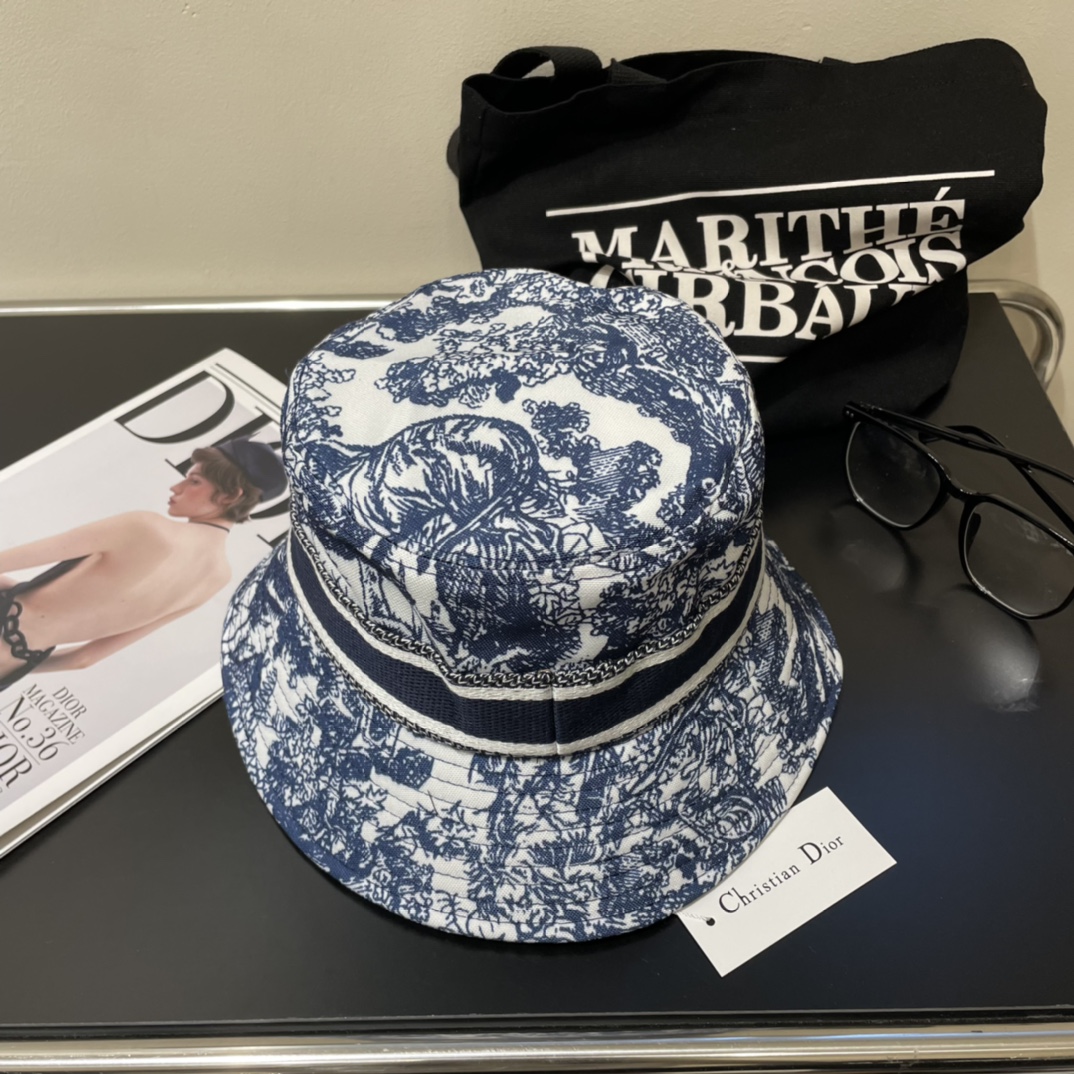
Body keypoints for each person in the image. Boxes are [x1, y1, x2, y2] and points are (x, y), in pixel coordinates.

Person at [0, 438, 286, 692]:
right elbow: (83, 659)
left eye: (194, 481)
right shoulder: (217, 577)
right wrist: (16, 661)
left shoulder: (145, 526)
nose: (176, 487)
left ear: (230, 495)